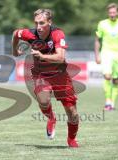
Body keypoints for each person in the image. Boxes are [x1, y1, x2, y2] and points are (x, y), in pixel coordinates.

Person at [12, 9, 79, 148]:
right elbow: (15, 34)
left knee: (72, 113)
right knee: (43, 100)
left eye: (42, 23)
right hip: (41, 74)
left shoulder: (57, 34)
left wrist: (42, 56)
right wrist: (14, 50)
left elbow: (60, 57)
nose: (39, 26)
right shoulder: (29, 33)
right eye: (36, 23)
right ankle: (51, 118)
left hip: (60, 75)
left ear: (50, 22)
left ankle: (71, 140)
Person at [94, 3, 118, 111]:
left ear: (117, 12)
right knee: (107, 76)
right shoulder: (102, 24)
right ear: (108, 13)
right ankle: (108, 102)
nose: (112, 14)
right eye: (110, 12)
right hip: (106, 53)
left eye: (114, 12)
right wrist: (97, 55)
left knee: (115, 80)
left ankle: (112, 103)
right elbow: (97, 40)